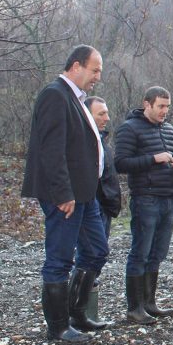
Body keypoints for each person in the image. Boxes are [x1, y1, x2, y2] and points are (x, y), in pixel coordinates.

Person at [21, 45, 108, 343]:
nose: (97, 76)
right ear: (75, 66)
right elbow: (51, 149)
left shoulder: (76, 98)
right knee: (59, 259)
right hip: (65, 195)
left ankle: (77, 313)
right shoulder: (55, 95)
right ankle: (58, 327)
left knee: (96, 250)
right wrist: (62, 193)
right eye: (94, 70)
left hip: (85, 193)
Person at [115, 86, 173, 324]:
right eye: (160, 106)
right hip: (145, 198)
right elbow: (120, 163)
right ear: (146, 104)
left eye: (167, 106)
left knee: (157, 253)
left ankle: (149, 303)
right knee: (140, 253)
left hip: (168, 196)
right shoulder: (129, 128)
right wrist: (153, 159)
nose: (164, 111)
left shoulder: (168, 129)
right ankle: (134, 308)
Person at [77, 96, 122, 328]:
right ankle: (78, 314)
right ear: (87, 116)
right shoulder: (84, 142)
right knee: (90, 254)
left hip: (103, 206)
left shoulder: (103, 142)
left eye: (106, 113)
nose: (107, 118)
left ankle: (84, 314)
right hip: (91, 206)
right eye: (100, 114)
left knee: (97, 256)